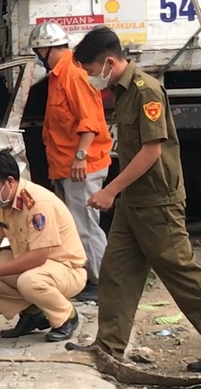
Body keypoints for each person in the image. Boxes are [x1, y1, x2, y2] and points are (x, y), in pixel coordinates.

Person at [67, 26, 201, 372]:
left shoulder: (146, 91)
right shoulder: (122, 91)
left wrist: (110, 190)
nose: (92, 78)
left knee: (182, 277)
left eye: (93, 71)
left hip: (158, 202)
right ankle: (108, 347)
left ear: (109, 61)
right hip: (134, 201)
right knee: (117, 272)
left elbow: (150, 152)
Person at [0, 150, 87, 342]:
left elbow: (38, 256)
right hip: (32, 264)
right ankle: (32, 313)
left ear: (9, 181)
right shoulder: (1, 202)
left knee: (29, 282)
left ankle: (66, 316)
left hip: (66, 269)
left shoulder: (38, 203)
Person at [28, 21, 112, 302]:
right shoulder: (58, 75)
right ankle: (88, 278)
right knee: (76, 226)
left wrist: (79, 157)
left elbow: (89, 122)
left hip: (81, 167)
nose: (38, 55)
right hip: (67, 166)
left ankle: (102, 281)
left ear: (46, 48)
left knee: (86, 225)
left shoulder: (72, 74)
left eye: (38, 50)